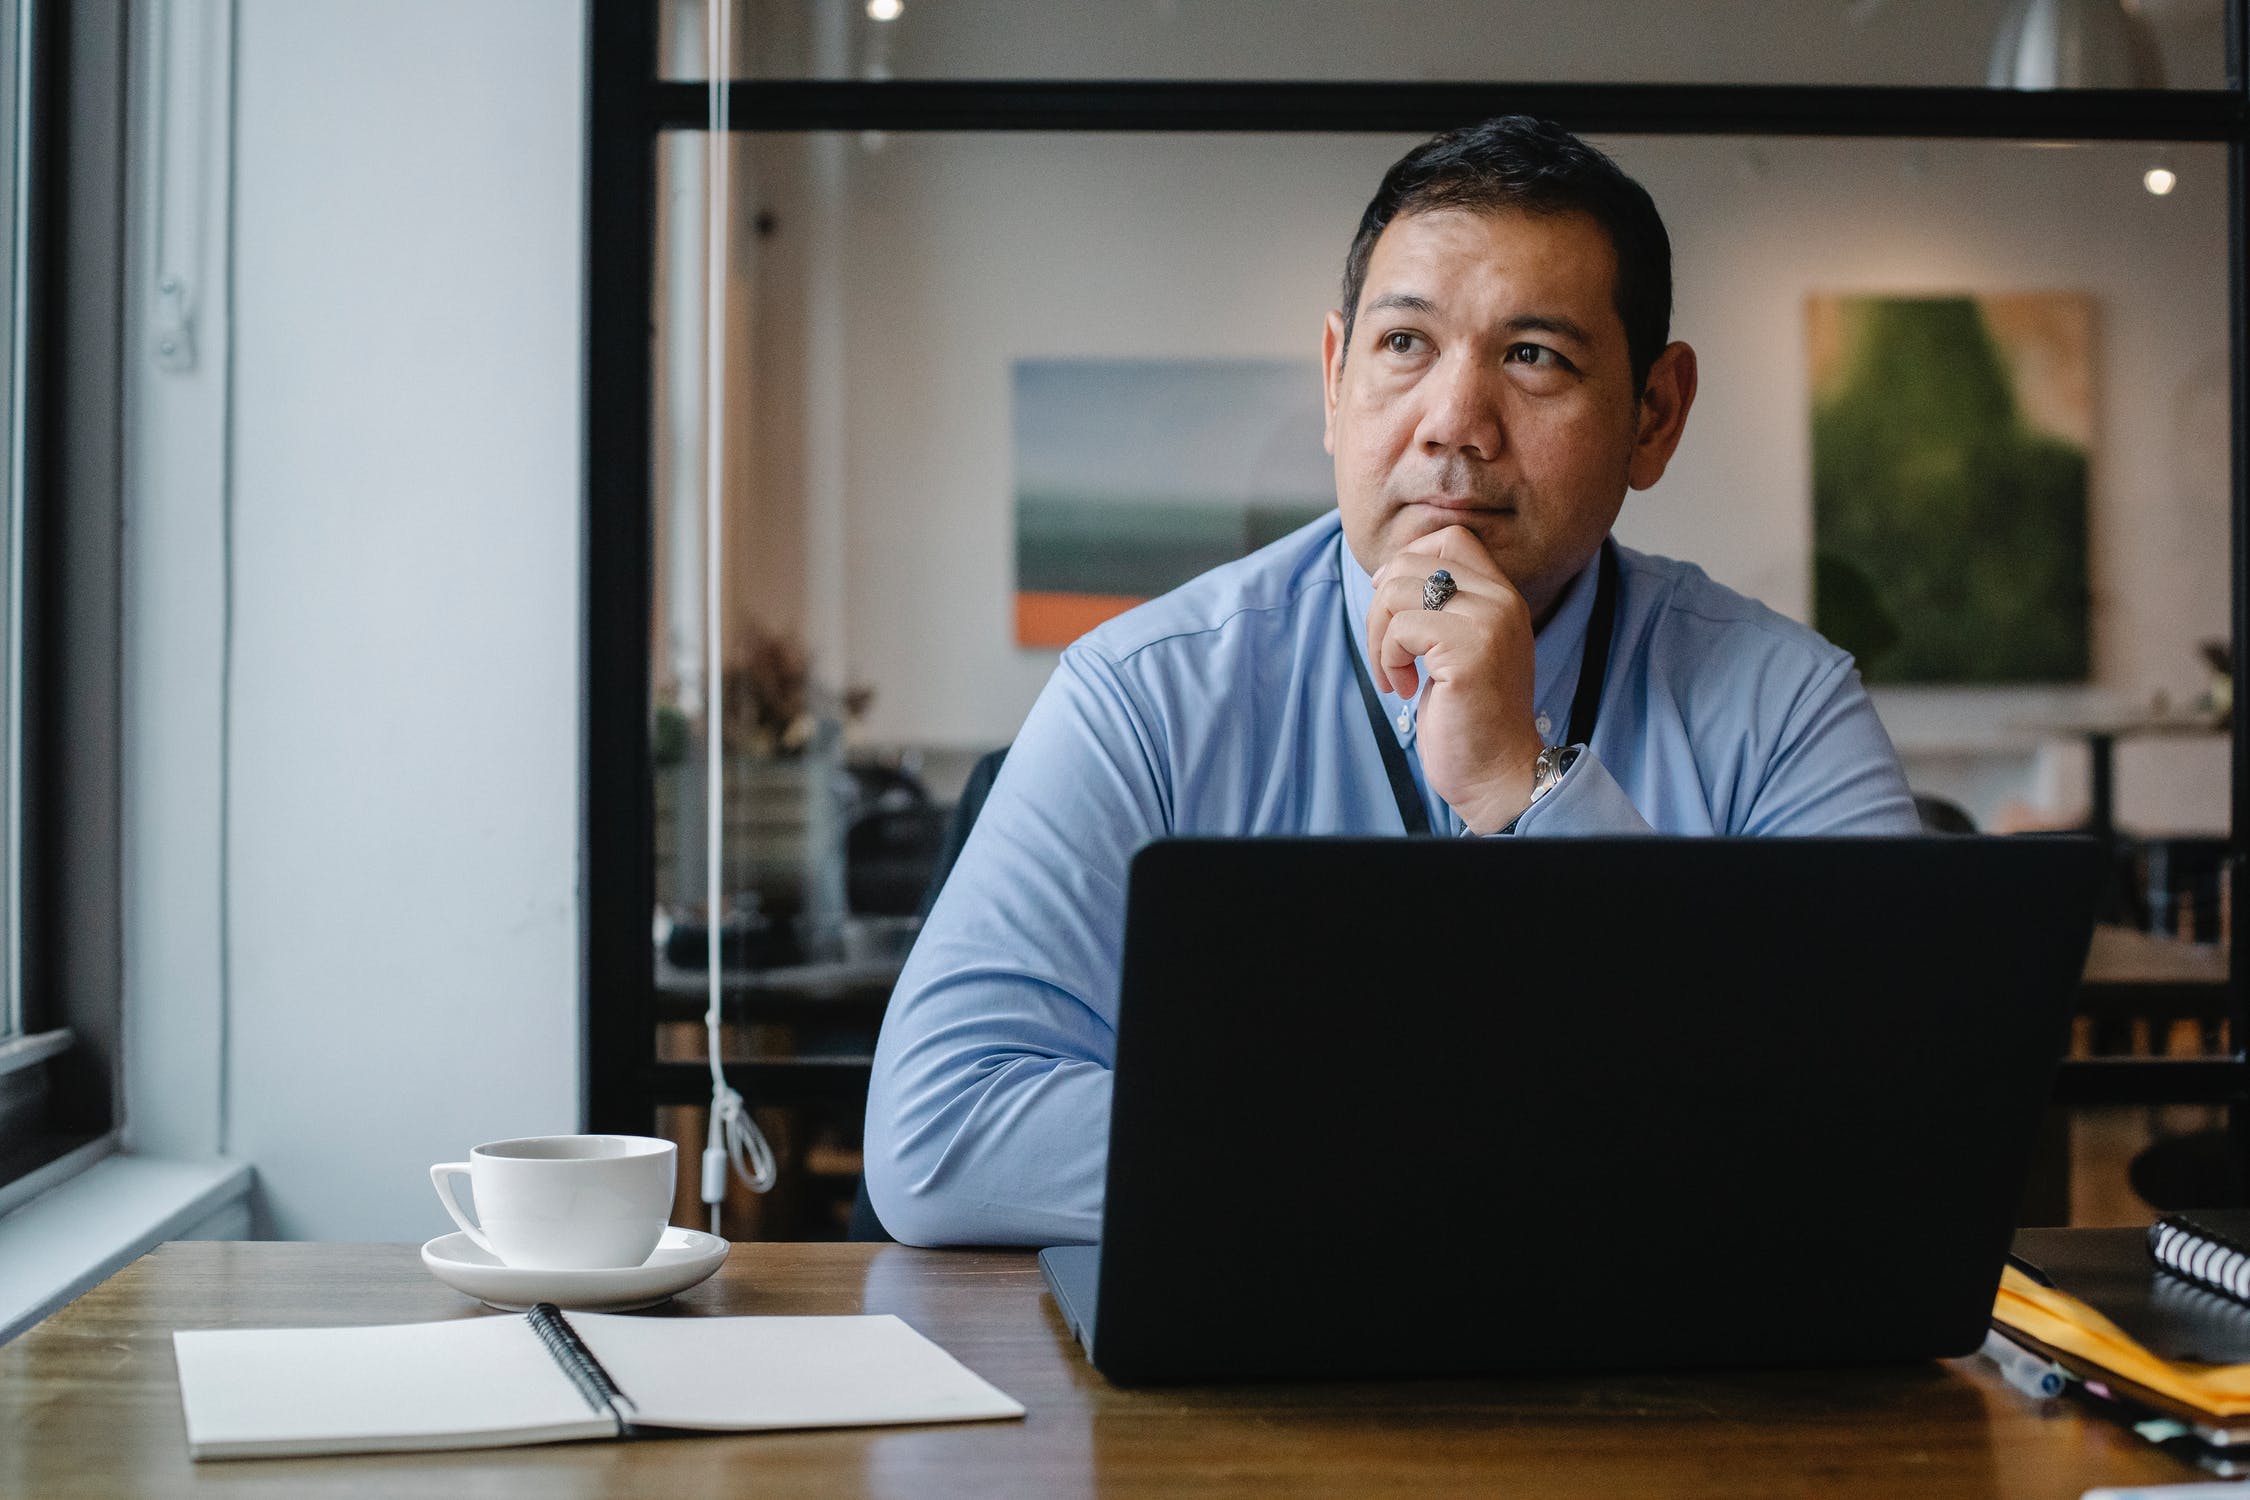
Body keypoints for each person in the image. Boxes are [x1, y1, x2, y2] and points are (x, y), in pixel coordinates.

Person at [865, 116, 1920, 1247]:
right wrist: (1470, 1135)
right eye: (1405, 346)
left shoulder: (1782, 707)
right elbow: (940, 1132)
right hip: (1243, 1397)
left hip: (1659, 1401)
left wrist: (1531, 789)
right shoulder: (1146, 694)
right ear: (1335, 378)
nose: (1455, 425)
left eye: (1535, 357)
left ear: (1652, 417)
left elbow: (1900, 1133)